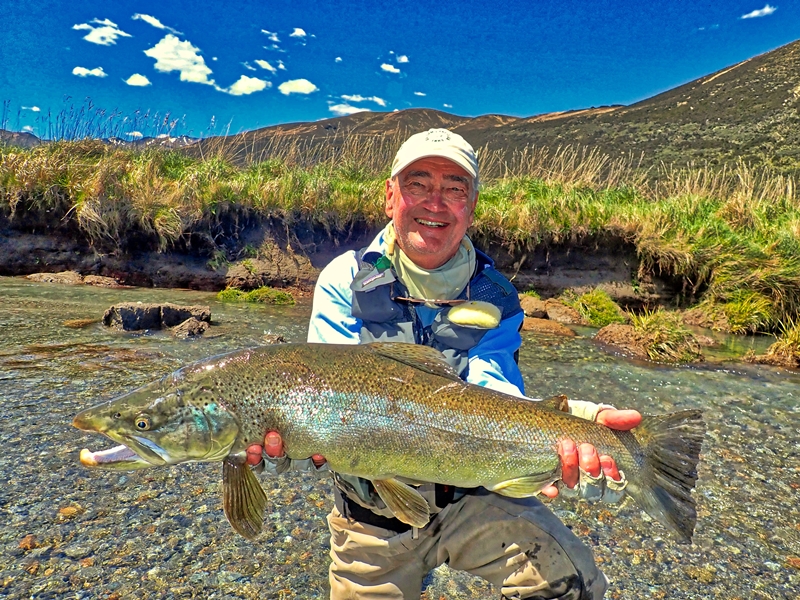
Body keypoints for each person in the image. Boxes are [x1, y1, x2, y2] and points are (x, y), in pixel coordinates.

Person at [247, 129, 642, 599]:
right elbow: (325, 388)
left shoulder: (497, 296)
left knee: (574, 587)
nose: (435, 203)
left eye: (454, 189)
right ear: (390, 195)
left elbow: (495, 394)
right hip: (371, 518)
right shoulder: (345, 278)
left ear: (470, 207)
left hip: (473, 498)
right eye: (418, 184)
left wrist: (575, 423)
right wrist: (282, 430)